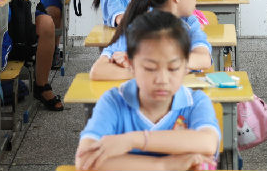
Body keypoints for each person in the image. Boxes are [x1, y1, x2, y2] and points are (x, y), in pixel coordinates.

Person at [75, 10, 220, 171]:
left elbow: (208, 142)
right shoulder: (114, 102)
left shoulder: (195, 102)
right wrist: (165, 165)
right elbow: (85, 160)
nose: (162, 80)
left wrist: (133, 141)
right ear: (130, 64)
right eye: (150, 68)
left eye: (173, 68)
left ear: (186, 66)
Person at [90, 0, 212, 80]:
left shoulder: (190, 22)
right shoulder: (138, 27)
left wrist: (143, 63)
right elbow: (98, 70)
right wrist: (151, 70)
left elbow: (203, 59)